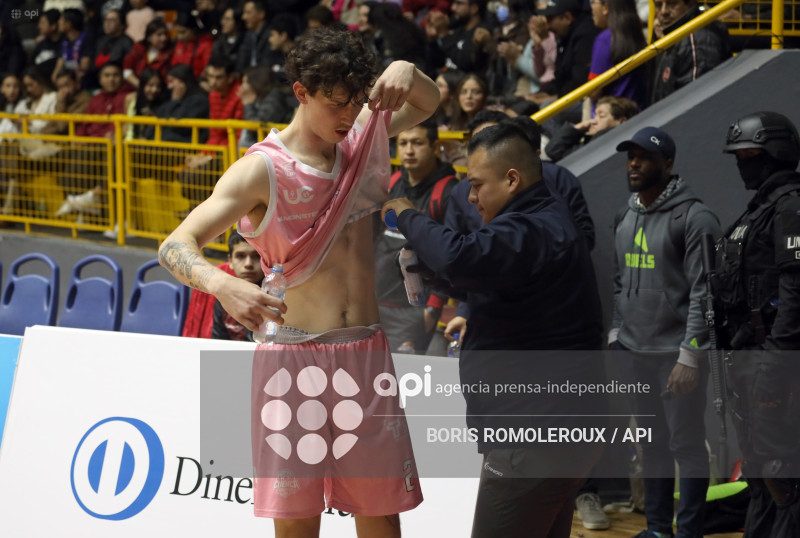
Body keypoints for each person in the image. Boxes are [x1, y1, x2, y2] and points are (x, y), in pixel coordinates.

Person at [158, 26, 438, 537]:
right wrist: (222, 285)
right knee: (295, 518)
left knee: (381, 513)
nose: (348, 116)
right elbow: (174, 245)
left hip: (364, 351)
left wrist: (406, 71)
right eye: (336, 103)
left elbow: (428, 100)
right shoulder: (261, 170)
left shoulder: (361, 136)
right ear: (301, 93)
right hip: (292, 356)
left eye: (356, 102)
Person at [382, 121, 604, 537]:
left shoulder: (533, 228)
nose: (470, 196)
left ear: (512, 178)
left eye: (477, 184)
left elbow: (460, 257)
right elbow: (482, 281)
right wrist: (428, 274)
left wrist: (405, 214)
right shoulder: (541, 221)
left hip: (534, 435)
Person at [610, 126, 721, 538]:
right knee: (652, 447)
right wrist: (616, 336)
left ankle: (688, 531)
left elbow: (705, 293)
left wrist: (690, 356)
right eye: (630, 156)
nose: (634, 164)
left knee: (686, 447)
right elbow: (619, 281)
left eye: (644, 157)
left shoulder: (695, 217)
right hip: (634, 352)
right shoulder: (625, 215)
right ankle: (657, 530)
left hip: (676, 357)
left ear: (668, 164)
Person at [714, 111, 800, 537]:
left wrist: (775, 366)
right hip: (747, 359)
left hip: (774, 363)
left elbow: (795, 295)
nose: (742, 163)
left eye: (749, 154)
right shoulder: (757, 211)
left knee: (781, 474)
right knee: (759, 473)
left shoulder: (790, 206)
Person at [374, 118, 457, 354]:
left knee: (404, 382)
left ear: (434, 146)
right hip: (378, 303)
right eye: (403, 143)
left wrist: (431, 311)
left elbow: (448, 254)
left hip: (414, 310)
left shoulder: (448, 191)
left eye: (417, 143)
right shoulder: (392, 183)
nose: (409, 150)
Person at [650, 0, 729, 104]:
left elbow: (695, 104)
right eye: (658, 5)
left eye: (672, 3)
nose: (664, 11)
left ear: (690, 3)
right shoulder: (670, 36)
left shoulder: (696, 41)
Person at [588, 0, 648, 110]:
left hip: (611, 115)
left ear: (605, 8)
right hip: (638, 110)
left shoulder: (604, 40)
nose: (590, 7)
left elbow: (593, 91)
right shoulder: (636, 32)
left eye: (593, 2)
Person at [545, 95, 638, 162]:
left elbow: (553, 151)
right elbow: (552, 151)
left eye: (601, 116)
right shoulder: (593, 139)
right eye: (595, 115)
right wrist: (577, 128)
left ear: (621, 122)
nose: (593, 121)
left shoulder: (602, 139)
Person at [212, 230, 265, 341]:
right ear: (230, 261)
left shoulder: (277, 294)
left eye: (256, 256)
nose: (248, 264)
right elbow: (218, 343)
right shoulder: (224, 296)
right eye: (240, 256)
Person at [123, 19, 173, 88]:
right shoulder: (137, 48)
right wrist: (141, 87)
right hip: (135, 87)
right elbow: (127, 71)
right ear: (149, 37)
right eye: (159, 35)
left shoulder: (169, 53)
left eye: (165, 34)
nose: (164, 38)